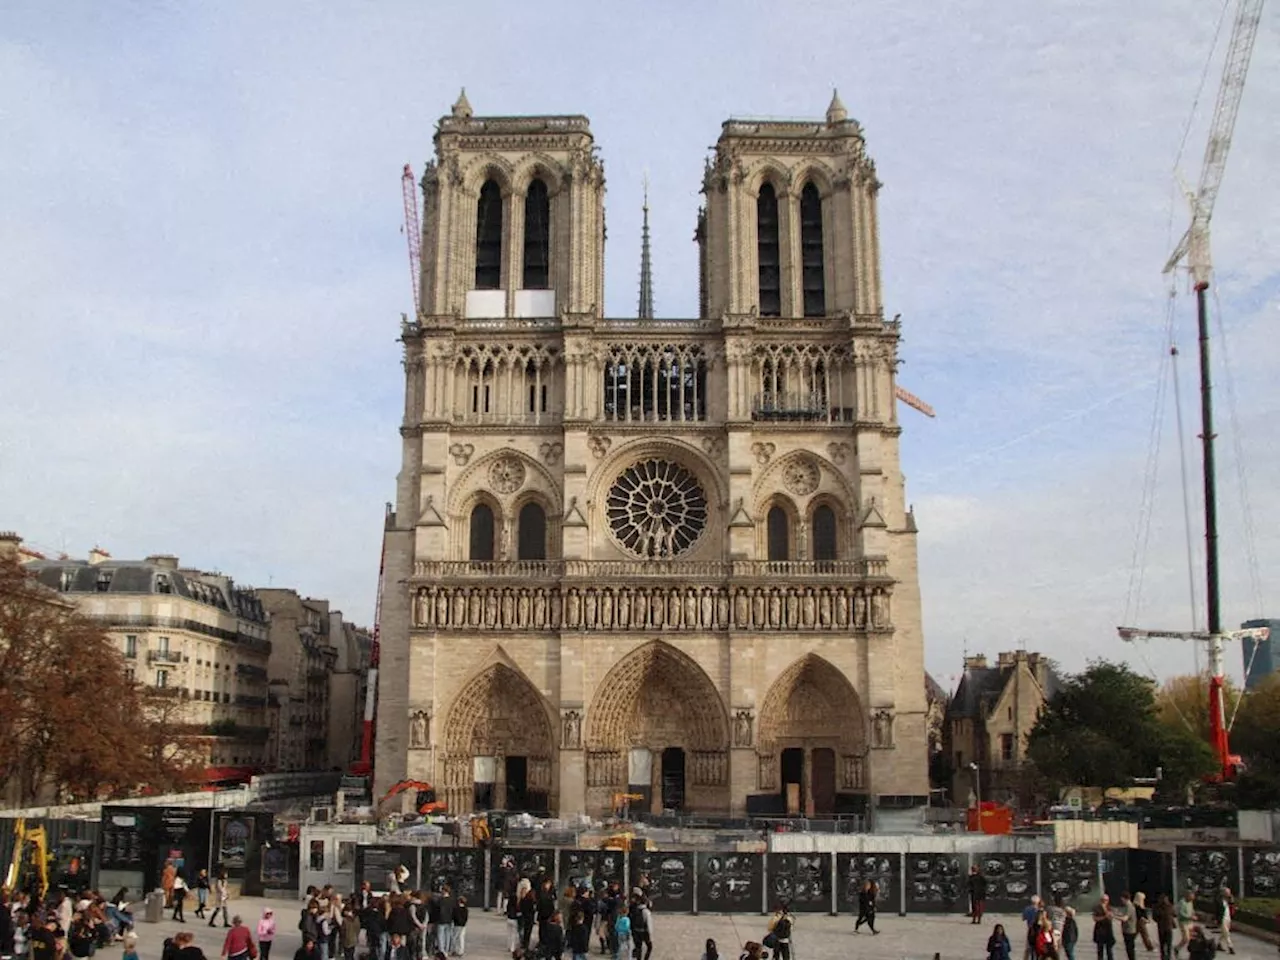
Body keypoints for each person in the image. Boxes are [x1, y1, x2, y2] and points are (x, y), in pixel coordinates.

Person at [629, 893, 653, 960]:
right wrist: (650, 935)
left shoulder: (635, 909)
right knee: (649, 947)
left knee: (638, 948)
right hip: (644, 932)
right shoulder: (646, 911)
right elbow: (649, 924)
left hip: (636, 931)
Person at [1153, 895, 1176, 960]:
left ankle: (1165, 956)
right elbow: (1174, 914)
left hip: (1163, 928)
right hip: (1166, 927)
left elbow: (1154, 918)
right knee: (1167, 944)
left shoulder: (1157, 907)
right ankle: (1167, 956)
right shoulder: (1169, 906)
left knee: (1164, 944)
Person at [1116, 894, 1138, 960]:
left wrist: (1114, 916)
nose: (1121, 901)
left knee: (1130, 949)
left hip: (1129, 930)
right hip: (1127, 930)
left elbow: (1125, 918)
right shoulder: (1126, 906)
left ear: (1125, 898)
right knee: (1129, 949)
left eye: (1122, 899)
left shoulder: (1129, 907)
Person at [1214, 889, 1234, 956]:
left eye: (1229, 893)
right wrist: (1216, 919)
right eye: (1227, 893)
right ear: (1223, 893)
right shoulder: (1219, 901)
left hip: (1228, 918)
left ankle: (1219, 944)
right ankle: (1230, 947)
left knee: (1224, 933)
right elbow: (1217, 911)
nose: (1229, 894)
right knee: (1227, 933)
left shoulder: (1228, 900)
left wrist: (1231, 899)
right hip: (1222, 919)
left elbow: (1232, 906)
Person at [1176, 892, 1196, 957]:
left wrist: (1193, 914)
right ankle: (1177, 948)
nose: (1192, 899)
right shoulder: (1182, 903)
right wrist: (1190, 916)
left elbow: (1192, 910)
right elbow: (1181, 914)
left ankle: (1192, 952)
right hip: (1183, 922)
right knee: (1186, 938)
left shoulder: (1190, 902)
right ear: (1187, 896)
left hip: (1190, 922)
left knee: (1192, 938)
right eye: (1191, 897)